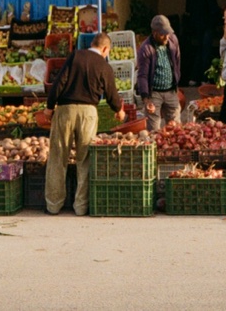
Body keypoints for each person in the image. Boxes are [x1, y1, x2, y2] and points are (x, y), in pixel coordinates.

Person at [43, 32, 125, 215]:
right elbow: (112, 93)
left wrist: (49, 107)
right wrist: (119, 110)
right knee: (84, 159)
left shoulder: (76, 56)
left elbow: (59, 82)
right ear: (105, 48)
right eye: (107, 51)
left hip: (66, 109)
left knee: (58, 157)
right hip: (89, 112)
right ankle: (81, 207)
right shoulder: (104, 65)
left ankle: (53, 205)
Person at [136, 15, 181, 131]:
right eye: (163, 34)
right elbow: (142, 75)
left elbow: (177, 62)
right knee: (154, 130)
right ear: (154, 33)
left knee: (176, 128)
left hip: (171, 91)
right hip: (154, 93)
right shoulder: (146, 49)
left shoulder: (173, 40)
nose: (166, 37)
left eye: (168, 33)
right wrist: (146, 99)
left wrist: (176, 84)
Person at [185, 0, 220, 85]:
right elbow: (214, 10)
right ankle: (204, 79)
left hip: (194, 26)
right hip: (206, 26)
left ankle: (193, 78)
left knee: (198, 51)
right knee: (205, 51)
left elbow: (188, 8)